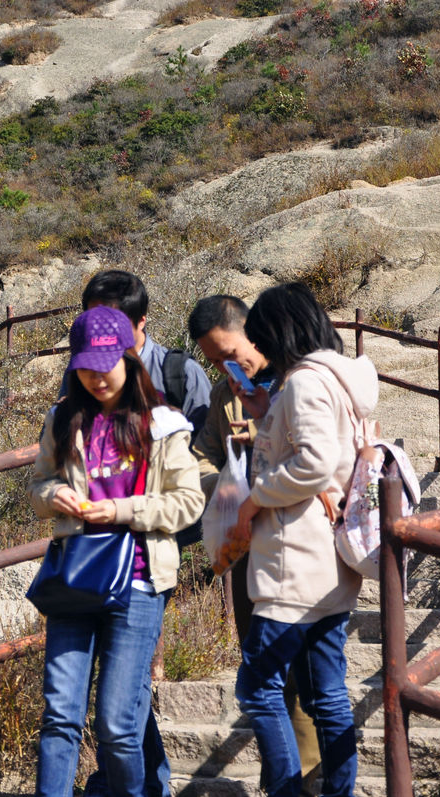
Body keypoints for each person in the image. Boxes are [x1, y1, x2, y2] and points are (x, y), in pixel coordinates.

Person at [29, 305, 204, 797]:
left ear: (129, 358)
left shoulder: (163, 423)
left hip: (140, 582)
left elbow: (188, 503)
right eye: (86, 367)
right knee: (59, 717)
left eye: (106, 365)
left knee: (118, 726)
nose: (96, 377)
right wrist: (54, 496)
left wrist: (122, 511)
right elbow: (38, 486)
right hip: (76, 578)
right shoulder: (62, 418)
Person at [220, 282, 377, 797]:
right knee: (325, 694)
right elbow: (314, 452)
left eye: (262, 338)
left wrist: (252, 502)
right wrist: (266, 409)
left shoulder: (306, 382)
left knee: (258, 688)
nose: (259, 350)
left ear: (281, 331)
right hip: (328, 565)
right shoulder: (335, 380)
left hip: (294, 562)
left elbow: (312, 463)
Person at [187, 295, 324, 795]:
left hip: (301, 545)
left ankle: (310, 775)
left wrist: (264, 452)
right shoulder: (226, 395)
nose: (225, 367)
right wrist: (226, 483)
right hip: (249, 550)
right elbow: (200, 457)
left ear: (252, 331)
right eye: (213, 361)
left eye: (228, 353)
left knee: (304, 671)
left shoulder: (297, 378)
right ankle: (279, 777)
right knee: (262, 669)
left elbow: (320, 457)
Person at [67, 269, 211, 438]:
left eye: (114, 322)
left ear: (141, 321)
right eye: (94, 320)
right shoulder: (81, 371)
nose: (102, 328)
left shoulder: (182, 372)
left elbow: (207, 442)